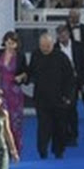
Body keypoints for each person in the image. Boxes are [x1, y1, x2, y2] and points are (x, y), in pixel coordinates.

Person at [28, 32, 75, 160]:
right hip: (41, 98)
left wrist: (68, 97)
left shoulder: (61, 57)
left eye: (47, 46)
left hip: (59, 98)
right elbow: (31, 71)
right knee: (43, 126)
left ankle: (58, 150)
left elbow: (70, 79)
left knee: (59, 126)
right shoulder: (36, 55)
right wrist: (25, 76)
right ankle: (42, 150)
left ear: (53, 44)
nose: (44, 49)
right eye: (42, 46)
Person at [0, 30, 28, 155]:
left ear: (17, 44)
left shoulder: (20, 56)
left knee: (14, 120)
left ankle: (15, 148)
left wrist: (20, 77)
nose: (10, 45)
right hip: (1, 90)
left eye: (12, 43)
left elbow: (26, 72)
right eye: (8, 42)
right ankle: (1, 147)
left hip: (14, 91)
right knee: (0, 119)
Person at [57, 23, 84, 147]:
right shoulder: (55, 48)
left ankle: (73, 135)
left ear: (68, 34)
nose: (62, 37)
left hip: (75, 82)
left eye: (64, 34)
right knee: (61, 110)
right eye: (60, 35)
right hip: (60, 83)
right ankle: (63, 134)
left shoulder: (79, 47)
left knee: (71, 108)